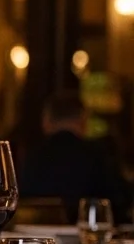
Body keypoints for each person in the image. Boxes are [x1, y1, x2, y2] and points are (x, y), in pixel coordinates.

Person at [19, 90, 132, 223]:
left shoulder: (30, 157)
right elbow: (120, 203)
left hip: (35, 236)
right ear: (83, 120)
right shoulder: (98, 155)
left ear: (46, 121)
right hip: (88, 238)